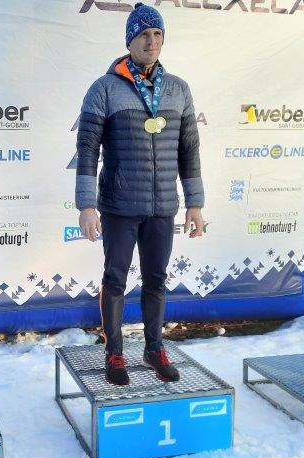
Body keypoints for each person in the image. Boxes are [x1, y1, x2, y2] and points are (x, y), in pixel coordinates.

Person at [75, 3, 205, 386]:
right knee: (115, 279)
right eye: (144, 35)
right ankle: (114, 352)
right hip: (119, 206)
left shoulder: (179, 89)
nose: (152, 41)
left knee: (156, 280)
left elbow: (189, 151)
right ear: (130, 41)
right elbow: (87, 150)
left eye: (158, 34)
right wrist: (86, 205)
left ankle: (154, 348)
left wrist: (195, 203)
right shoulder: (103, 89)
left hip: (162, 206)